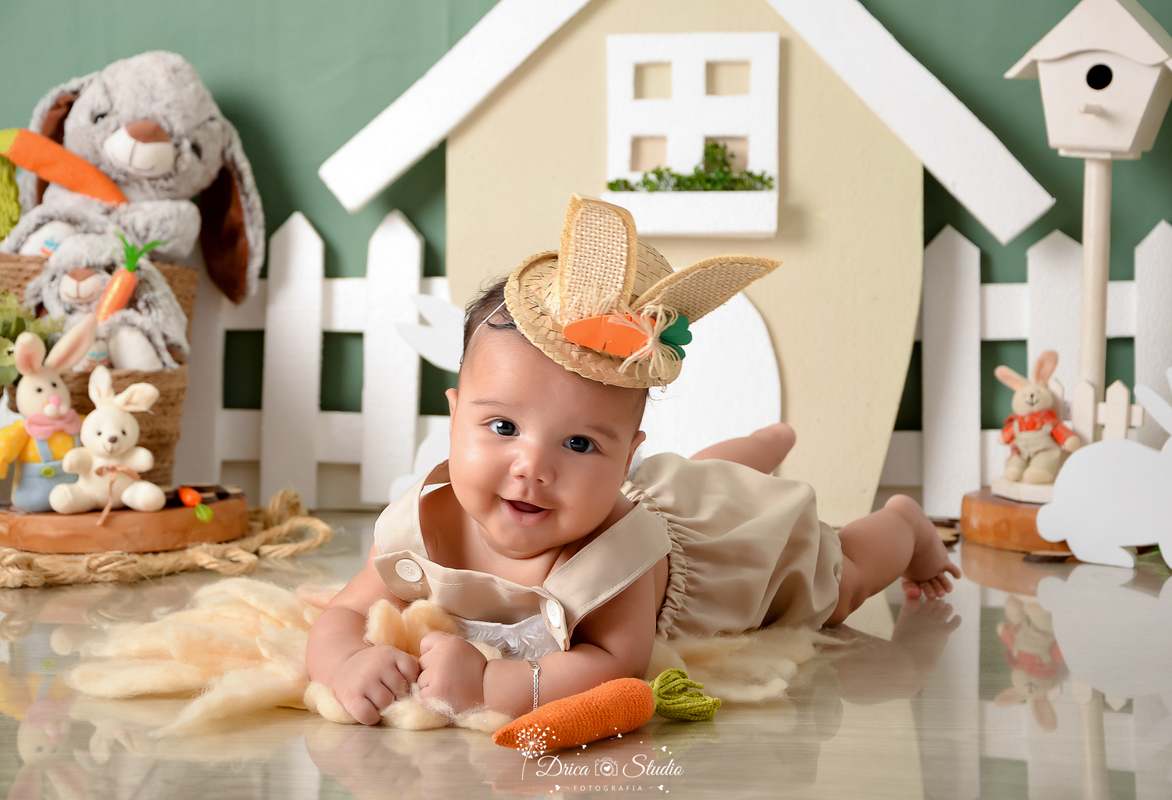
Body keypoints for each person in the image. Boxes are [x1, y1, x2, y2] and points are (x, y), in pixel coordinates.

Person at [305, 195, 961, 725]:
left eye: (580, 444)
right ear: (453, 416)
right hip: (671, 492)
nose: (533, 467)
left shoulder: (615, 560)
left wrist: (490, 683)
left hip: (733, 555)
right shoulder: (422, 526)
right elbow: (340, 615)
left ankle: (902, 527)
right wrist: (342, 666)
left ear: (624, 459)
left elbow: (613, 664)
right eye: (503, 426)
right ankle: (760, 447)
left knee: (832, 577)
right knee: (697, 479)